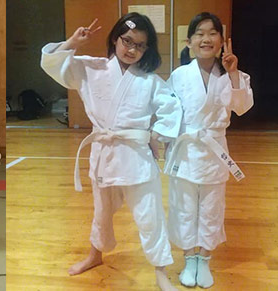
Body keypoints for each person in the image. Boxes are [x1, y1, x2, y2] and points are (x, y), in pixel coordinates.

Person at [40, 13, 182, 291]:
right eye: (127, 41)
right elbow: (52, 65)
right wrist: (73, 42)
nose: (131, 49)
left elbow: (172, 109)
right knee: (102, 213)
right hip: (104, 156)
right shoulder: (92, 69)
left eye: (139, 45)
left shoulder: (150, 81)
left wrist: (156, 134)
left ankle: (161, 270)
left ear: (146, 50)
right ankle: (95, 255)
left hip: (137, 160)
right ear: (115, 39)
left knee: (150, 216)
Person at [164, 12, 253, 289]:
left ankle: (204, 258)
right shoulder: (179, 75)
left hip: (214, 149)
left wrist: (233, 74)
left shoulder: (232, 75)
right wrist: (162, 139)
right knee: (184, 206)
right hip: (185, 149)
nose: (206, 39)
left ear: (222, 40)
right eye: (199, 33)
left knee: (212, 208)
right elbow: (168, 112)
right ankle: (189, 257)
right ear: (189, 41)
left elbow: (242, 107)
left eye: (212, 33)